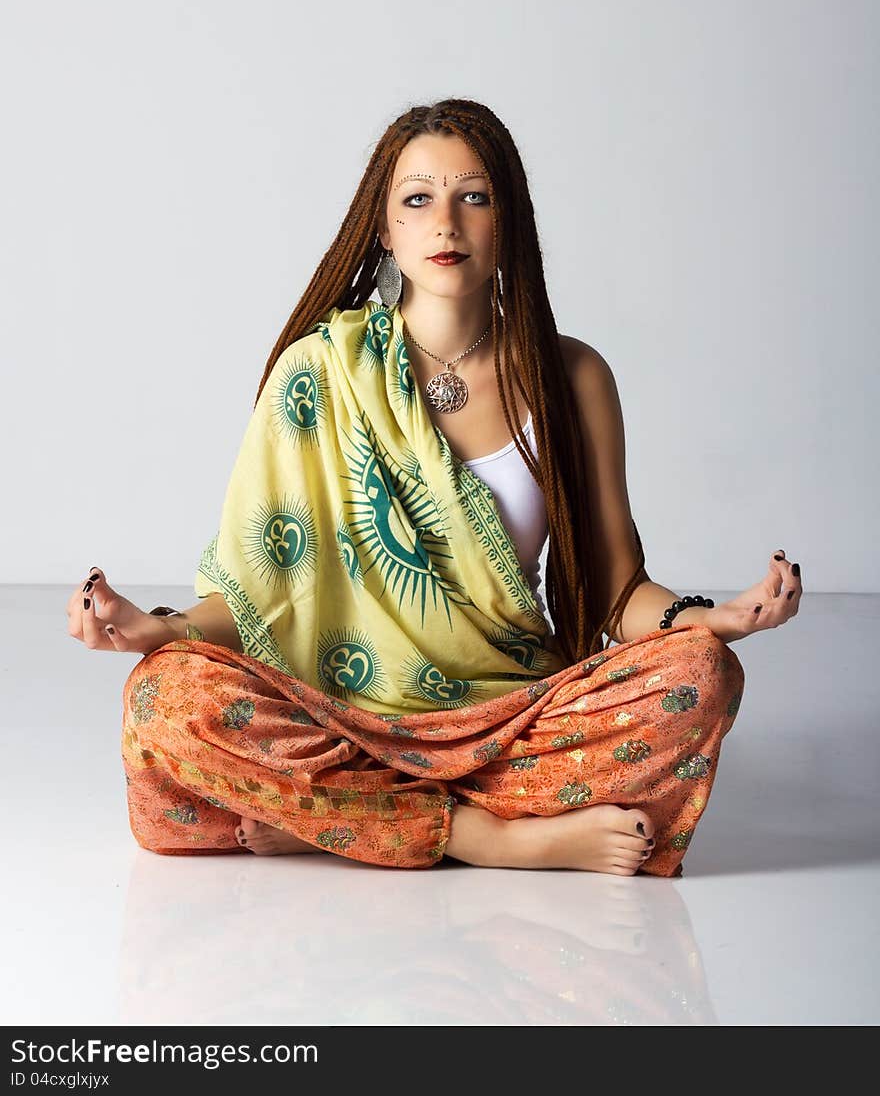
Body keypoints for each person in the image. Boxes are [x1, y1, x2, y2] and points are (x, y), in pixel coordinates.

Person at [67, 98, 803, 877]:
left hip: (506, 714)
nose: (444, 222)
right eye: (417, 199)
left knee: (702, 675)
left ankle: (333, 814)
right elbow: (260, 598)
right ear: (384, 228)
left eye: (473, 197)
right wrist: (157, 631)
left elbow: (617, 592)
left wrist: (709, 617)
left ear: (509, 218)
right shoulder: (321, 374)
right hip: (337, 714)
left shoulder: (572, 379)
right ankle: (478, 833)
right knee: (166, 699)